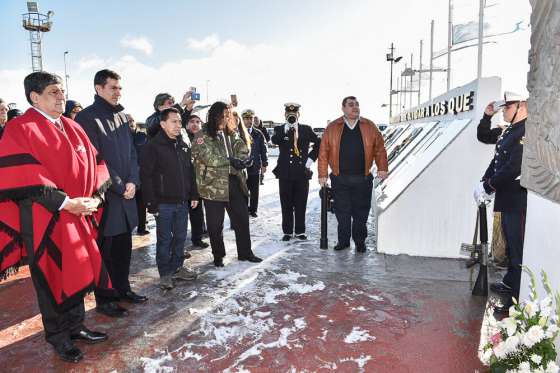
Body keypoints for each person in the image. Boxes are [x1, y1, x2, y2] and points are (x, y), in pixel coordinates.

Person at [0, 71, 112, 363]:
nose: (61, 97)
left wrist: (94, 199)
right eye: (53, 92)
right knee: (50, 278)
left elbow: (98, 165)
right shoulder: (20, 128)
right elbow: (23, 178)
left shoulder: (73, 127)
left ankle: (76, 327)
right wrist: (66, 203)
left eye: (62, 91)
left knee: (78, 270)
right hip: (43, 220)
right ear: (34, 97)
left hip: (78, 215)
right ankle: (58, 336)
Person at [75, 69, 147, 318]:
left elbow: (133, 154)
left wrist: (134, 182)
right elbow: (96, 159)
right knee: (104, 252)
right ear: (98, 89)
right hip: (106, 198)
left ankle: (122, 289)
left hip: (127, 194)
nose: (118, 92)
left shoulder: (122, 116)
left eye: (119, 87)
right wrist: (119, 185)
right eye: (113, 87)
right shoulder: (87, 118)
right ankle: (105, 299)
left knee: (124, 249)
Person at [473, 91, 528, 314]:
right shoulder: (510, 130)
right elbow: (493, 153)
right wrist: (484, 181)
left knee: (517, 248)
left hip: (517, 199)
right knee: (510, 243)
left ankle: (515, 299)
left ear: (521, 107)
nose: (503, 110)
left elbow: (513, 167)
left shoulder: (525, 131)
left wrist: (489, 187)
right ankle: (510, 282)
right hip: (507, 198)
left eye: (507, 107)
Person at [192, 101, 262, 267]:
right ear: (213, 116)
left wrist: (244, 158)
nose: (225, 119)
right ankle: (218, 255)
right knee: (215, 226)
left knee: (242, 220)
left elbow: (240, 146)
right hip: (213, 187)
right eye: (222, 116)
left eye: (227, 116)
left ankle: (245, 253)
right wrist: (231, 161)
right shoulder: (202, 136)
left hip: (234, 182)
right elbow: (209, 157)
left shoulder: (230, 133)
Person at [318, 96, 388, 252]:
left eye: (357, 104)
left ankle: (360, 242)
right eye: (351, 105)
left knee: (360, 214)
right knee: (342, 213)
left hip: (362, 178)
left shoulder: (369, 126)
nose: (355, 107)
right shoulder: (333, 127)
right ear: (343, 108)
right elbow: (323, 151)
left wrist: (382, 167)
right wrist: (322, 174)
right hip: (339, 178)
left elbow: (379, 149)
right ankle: (343, 241)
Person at [141, 107, 199, 289]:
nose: (178, 125)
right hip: (163, 203)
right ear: (163, 124)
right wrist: (151, 203)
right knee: (165, 240)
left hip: (182, 201)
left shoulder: (183, 144)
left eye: (179, 122)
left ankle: (178, 268)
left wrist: (194, 194)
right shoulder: (153, 146)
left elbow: (190, 172)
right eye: (173, 121)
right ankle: (165, 273)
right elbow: (146, 176)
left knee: (180, 237)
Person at [271, 103, 320, 241]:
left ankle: (300, 231)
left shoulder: (305, 129)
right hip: (285, 173)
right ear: (285, 115)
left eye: (294, 114)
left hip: (301, 173)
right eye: (288, 114)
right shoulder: (280, 129)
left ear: (299, 115)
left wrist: (310, 160)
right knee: (286, 203)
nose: (291, 116)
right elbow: (274, 140)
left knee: (300, 203)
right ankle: (287, 231)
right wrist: (286, 129)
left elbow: (319, 143)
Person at [185, 114, 209, 249]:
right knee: (181, 218)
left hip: (200, 183)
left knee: (197, 214)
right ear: (186, 125)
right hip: (184, 183)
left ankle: (197, 238)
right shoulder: (181, 138)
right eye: (191, 122)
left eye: (197, 122)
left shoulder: (204, 139)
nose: (195, 124)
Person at [241, 109, 268, 217]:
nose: (249, 121)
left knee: (254, 190)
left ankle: (253, 210)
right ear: (242, 120)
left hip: (255, 166)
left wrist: (264, 163)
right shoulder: (238, 133)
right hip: (242, 167)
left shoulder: (258, 133)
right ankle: (244, 209)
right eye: (246, 118)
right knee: (243, 190)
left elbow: (263, 149)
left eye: (251, 118)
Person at [128, 113, 149, 235]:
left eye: (132, 120)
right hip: (128, 177)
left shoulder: (142, 136)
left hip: (142, 177)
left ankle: (141, 228)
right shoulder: (122, 137)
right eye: (127, 120)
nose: (130, 122)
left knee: (142, 205)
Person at [253, 116, 269, 185]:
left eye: (257, 121)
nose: (256, 122)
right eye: (255, 121)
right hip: (254, 148)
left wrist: (263, 140)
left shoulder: (263, 128)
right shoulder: (251, 128)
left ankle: (261, 178)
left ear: (259, 121)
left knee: (262, 163)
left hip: (262, 148)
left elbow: (268, 138)